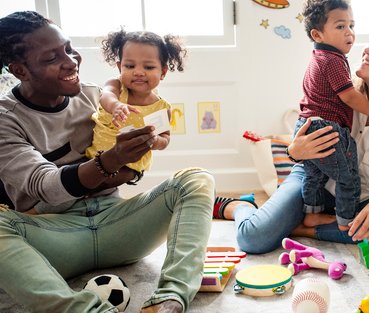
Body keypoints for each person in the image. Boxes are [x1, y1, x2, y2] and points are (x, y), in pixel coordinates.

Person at [0, 11, 213, 313]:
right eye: (52, 58)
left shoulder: (92, 96)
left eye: (69, 48)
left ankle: (169, 300)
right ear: (20, 70)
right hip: (55, 234)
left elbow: (131, 168)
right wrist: (111, 161)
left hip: (116, 223)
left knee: (196, 178)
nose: (71, 61)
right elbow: (44, 186)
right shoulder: (6, 119)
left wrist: (140, 151)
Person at [214, 20, 369, 254]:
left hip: (356, 200)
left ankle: (305, 230)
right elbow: (299, 140)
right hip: (311, 183)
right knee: (253, 239)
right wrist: (294, 151)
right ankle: (239, 206)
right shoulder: (339, 90)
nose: (367, 49)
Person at [295, 0, 369, 231]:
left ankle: (311, 214)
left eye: (352, 25)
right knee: (348, 177)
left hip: (308, 124)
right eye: (340, 26)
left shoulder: (318, 57)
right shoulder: (333, 60)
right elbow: (349, 96)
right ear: (317, 34)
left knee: (315, 175)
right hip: (325, 128)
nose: (349, 32)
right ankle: (347, 221)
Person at [85, 29, 185, 181]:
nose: (138, 72)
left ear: (163, 72)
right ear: (120, 67)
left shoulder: (161, 108)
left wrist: (155, 141)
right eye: (130, 66)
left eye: (148, 67)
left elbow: (165, 138)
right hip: (98, 159)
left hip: (132, 166)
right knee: (92, 187)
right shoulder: (116, 87)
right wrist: (116, 105)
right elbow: (106, 95)